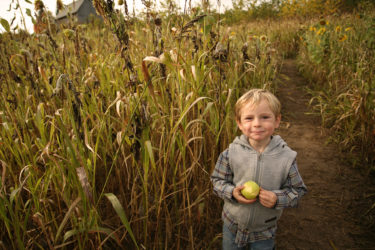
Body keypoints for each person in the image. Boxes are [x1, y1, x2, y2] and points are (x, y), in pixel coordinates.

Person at [211, 88, 307, 249]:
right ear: (239, 123)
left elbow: (298, 191)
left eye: (265, 117)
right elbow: (217, 181)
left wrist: (277, 198)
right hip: (233, 224)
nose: (257, 123)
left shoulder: (286, 157)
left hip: (265, 229)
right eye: (249, 118)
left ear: (277, 121)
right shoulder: (230, 153)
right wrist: (232, 192)